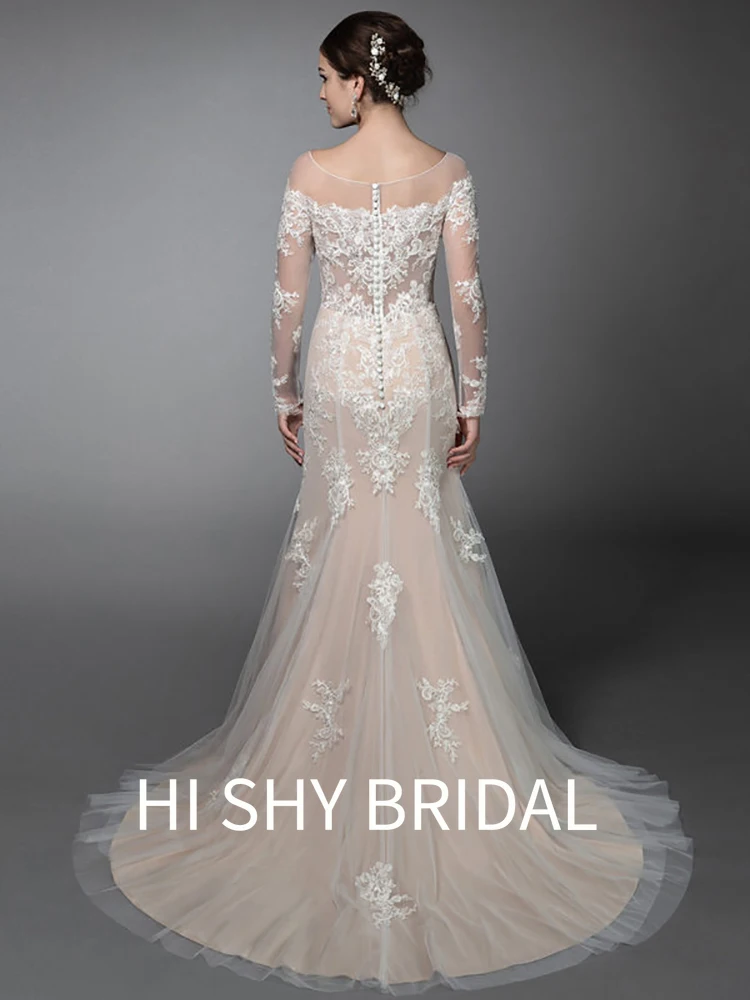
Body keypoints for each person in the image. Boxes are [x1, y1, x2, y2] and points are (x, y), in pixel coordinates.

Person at [72, 11, 693, 993]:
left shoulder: (309, 172)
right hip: (413, 372)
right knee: (419, 543)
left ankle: (326, 756)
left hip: (339, 377)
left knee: (341, 543)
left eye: (325, 77)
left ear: (359, 82)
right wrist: (475, 402)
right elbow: (467, 298)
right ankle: (446, 764)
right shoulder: (448, 172)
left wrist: (281, 391)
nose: (318, 92)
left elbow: (287, 300)